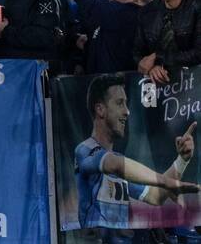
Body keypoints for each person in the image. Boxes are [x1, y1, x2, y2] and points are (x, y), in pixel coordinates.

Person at [75, 75, 197, 229]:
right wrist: (168, 182)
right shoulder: (84, 150)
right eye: (120, 103)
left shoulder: (121, 163)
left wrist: (182, 160)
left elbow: (155, 196)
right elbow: (116, 165)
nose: (127, 111)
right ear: (100, 109)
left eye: (126, 104)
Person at [135, 0, 201, 85]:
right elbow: (137, 52)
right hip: (158, 83)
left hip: (195, 84)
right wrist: (152, 68)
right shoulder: (147, 12)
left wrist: (157, 57)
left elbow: (198, 53)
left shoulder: (198, 6)